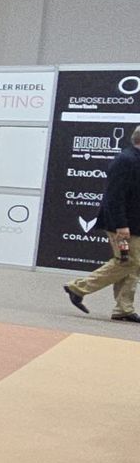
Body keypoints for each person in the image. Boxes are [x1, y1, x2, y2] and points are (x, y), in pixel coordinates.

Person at [64, 124, 140, 323]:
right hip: (122, 226)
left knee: (131, 266)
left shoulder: (135, 160)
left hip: (134, 225)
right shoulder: (126, 160)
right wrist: (121, 226)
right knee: (127, 261)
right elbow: (114, 197)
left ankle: (124, 309)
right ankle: (78, 287)